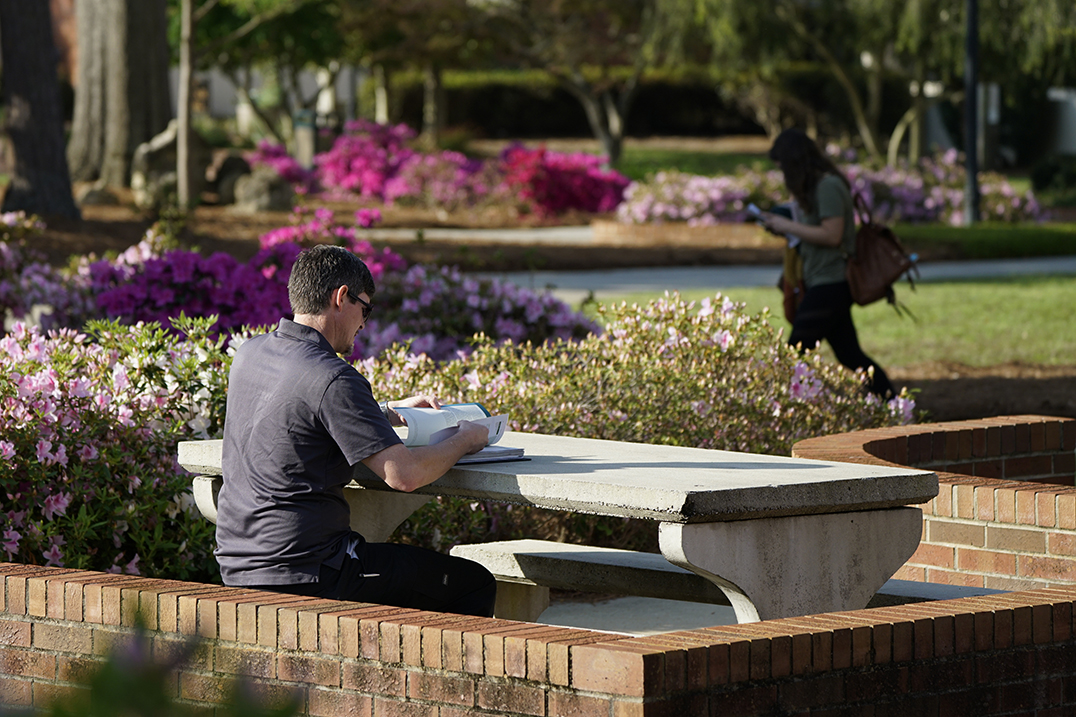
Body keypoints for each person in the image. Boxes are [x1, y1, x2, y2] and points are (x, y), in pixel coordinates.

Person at [215, 244, 497, 617]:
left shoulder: (251, 353)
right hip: (310, 570)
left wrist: (385, 412)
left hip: (238, 563)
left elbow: (294, 412)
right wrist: (466, 439)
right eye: (365, 308)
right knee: (473, 583)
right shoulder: (333, 376)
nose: (364, 323)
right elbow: (404, 475)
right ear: (341, 297)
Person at [759, 128, 896, 399]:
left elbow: (833, 235)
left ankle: (783, 412)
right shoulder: (815, 189)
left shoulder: (828, 186)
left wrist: (788, 225)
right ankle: (891, 403)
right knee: (850, 355)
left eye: (783, 168)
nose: (783, 175)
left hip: (831, 283)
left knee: (795, 353)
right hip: (821, 281)